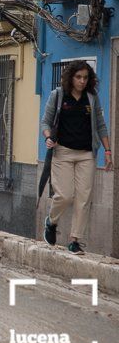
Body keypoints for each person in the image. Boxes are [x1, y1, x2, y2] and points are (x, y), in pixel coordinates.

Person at [41, 61, 112, 255]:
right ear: (71, 77)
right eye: (78, 77)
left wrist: (107, 151)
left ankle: (75, 240)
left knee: (83, 198)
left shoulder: (91, 97)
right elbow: (45, 122)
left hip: (87, 154)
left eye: (85, 78)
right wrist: (48, 137)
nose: (82, 81)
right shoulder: (58, 96)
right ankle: (51, 221)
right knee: (64, 195)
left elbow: (100, 125)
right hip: (62, 152)